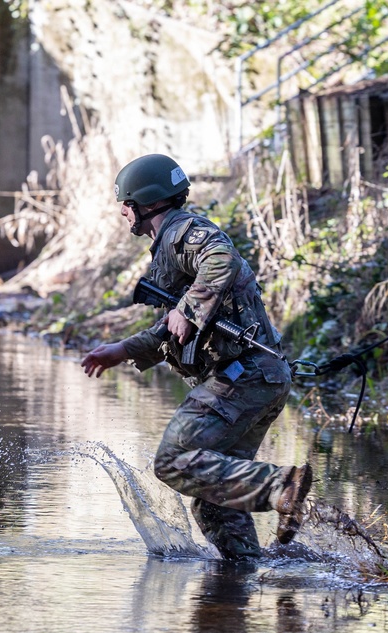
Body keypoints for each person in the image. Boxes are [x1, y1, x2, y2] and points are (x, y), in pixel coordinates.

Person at [80, 154, 312, 561]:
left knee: (173, 461)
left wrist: (189, 309)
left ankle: (280, 487)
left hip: (242, 375)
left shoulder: (182, 232)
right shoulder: (171, 239)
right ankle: (247, 572)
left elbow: (221, 259)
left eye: (125, 203)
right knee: (213, 499)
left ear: (145, 203)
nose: (121, 211)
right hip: (261, 376)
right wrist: (123, 350)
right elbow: (173, 328)